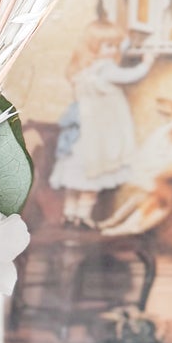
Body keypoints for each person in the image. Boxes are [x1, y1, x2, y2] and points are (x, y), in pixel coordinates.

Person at [50, 15, 155, 226]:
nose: (114, 50)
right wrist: (147, 63)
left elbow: (116, 48)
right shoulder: (106, 69)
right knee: (91, 179)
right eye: (109, 46)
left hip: (82, 132)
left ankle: (69, 216)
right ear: (93, 47)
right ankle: (83, 217)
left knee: (75, 179)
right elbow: (130, 76)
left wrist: (125, 40)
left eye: (117, 46)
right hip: (98, 135)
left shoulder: (83, 70)